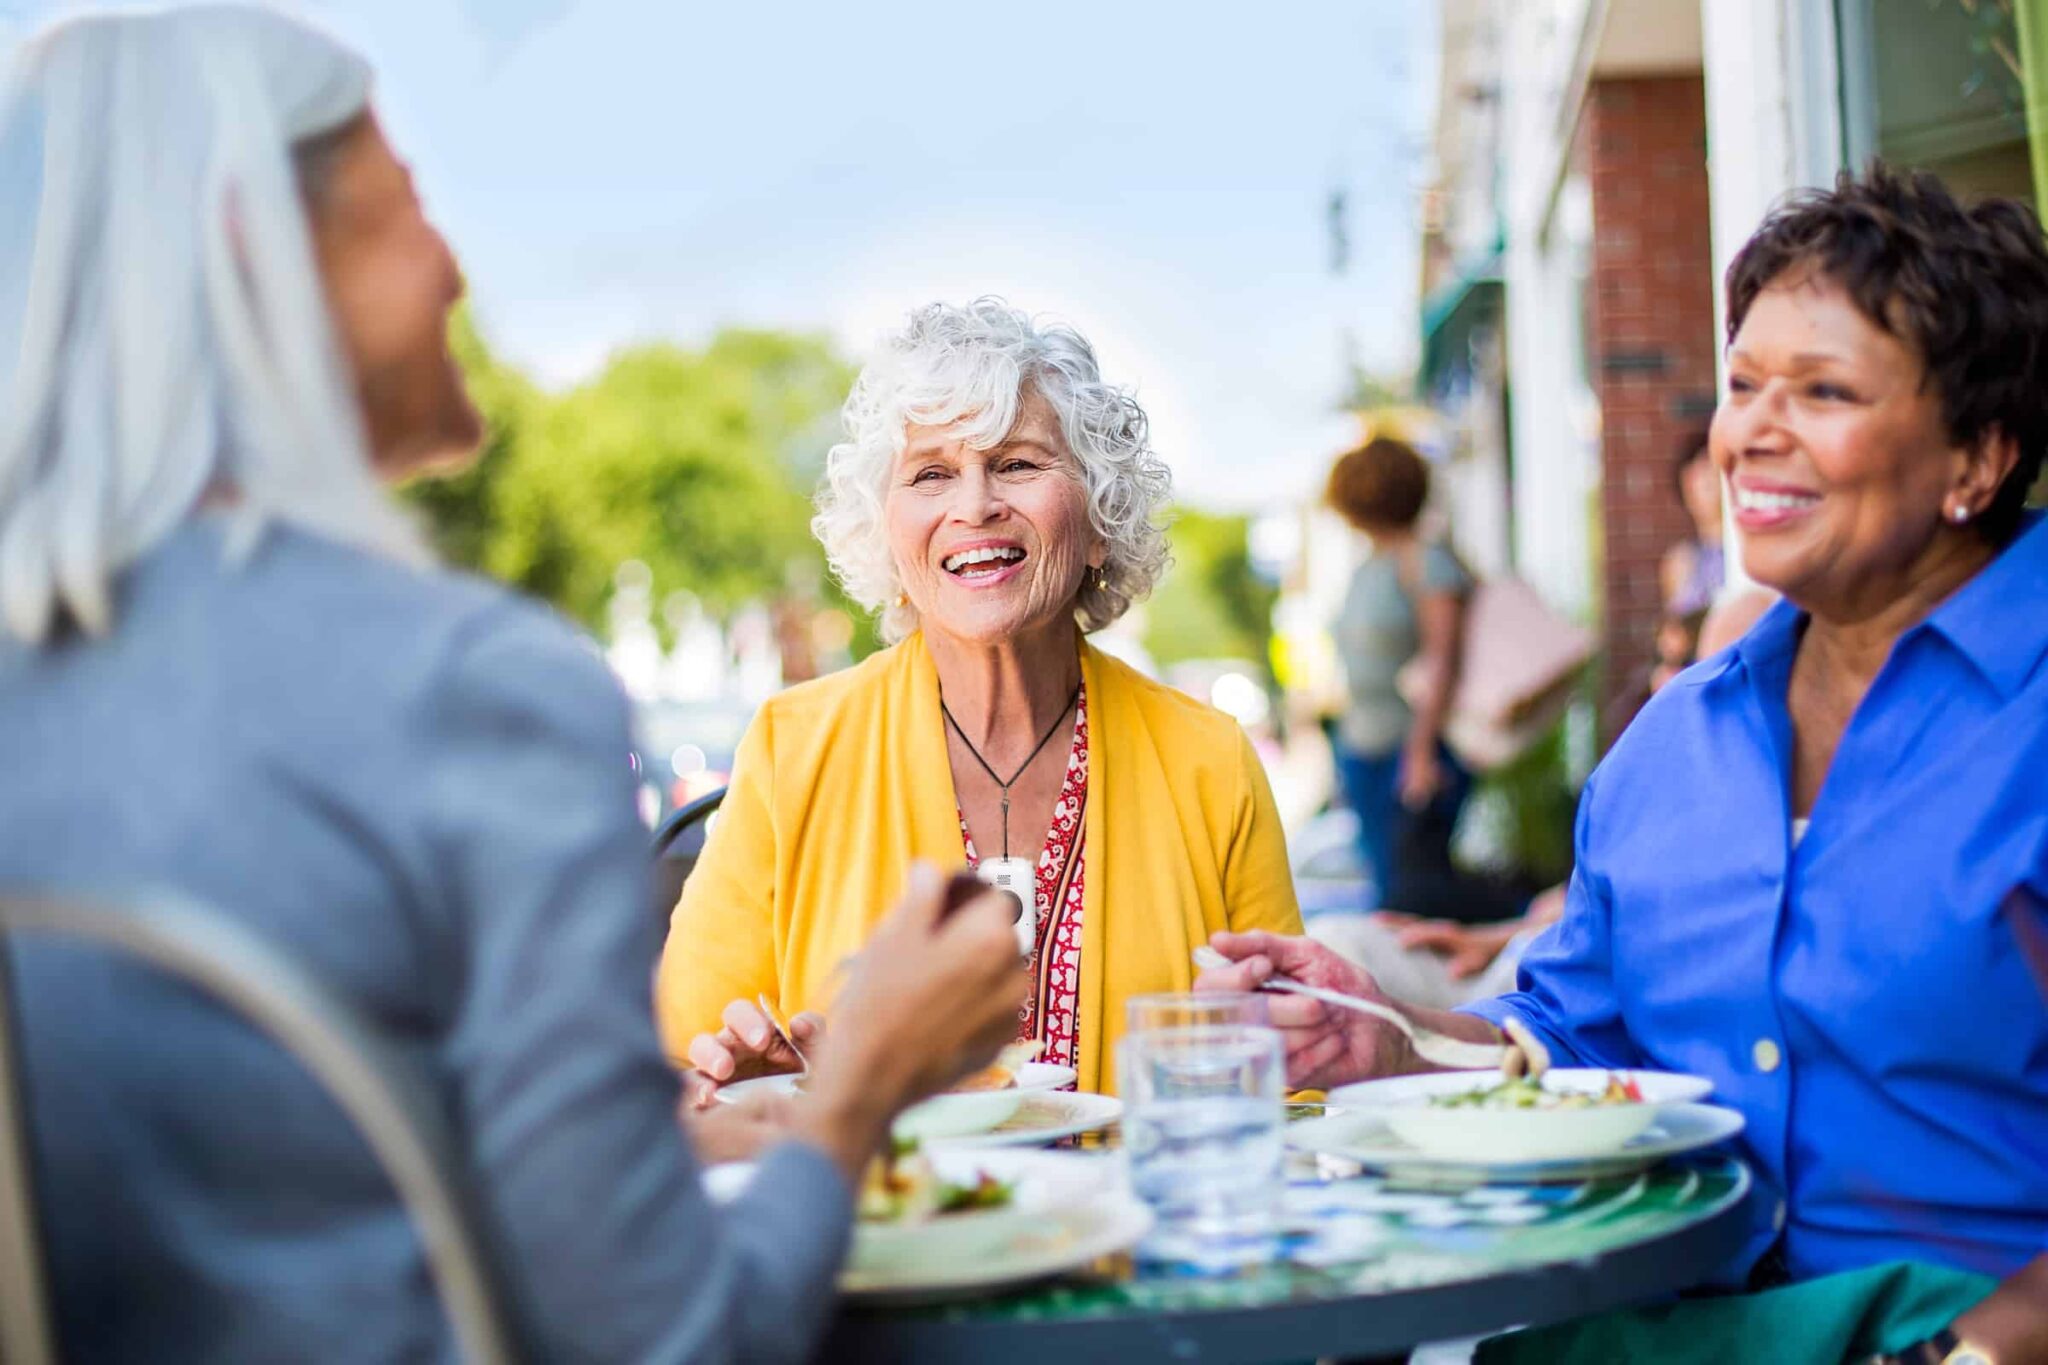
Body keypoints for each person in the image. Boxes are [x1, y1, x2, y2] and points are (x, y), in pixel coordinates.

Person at [0, 9, 1026, 1361]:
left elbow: (276, 1157)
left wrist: (681, 1134)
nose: (452, 271)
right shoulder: (475, 694)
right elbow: (678, 1342)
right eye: (407, 208)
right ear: (262, 251)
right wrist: (859, 1091)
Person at [1200, 165, 2048, 1363]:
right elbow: (1574, 1025)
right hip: (1677, 1320)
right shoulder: (1675, 740)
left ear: (1975, 459)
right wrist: (1383, 1035)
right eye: (1745, 383)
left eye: (1822, 390)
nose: (1752, 429)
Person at [659, 299, 1304, 1097]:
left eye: (1019, 464)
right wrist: (756, 1091)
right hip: (888, 1216)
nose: (973, 505)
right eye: (931, 473)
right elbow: (678, 1069)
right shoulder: (791, 748)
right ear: (888, 535)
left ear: (1099, 520)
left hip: (1143, 1216)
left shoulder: (1211, 761)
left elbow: (1295, 1082)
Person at [1324, 436, 1525, 925]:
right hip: (1363, 749)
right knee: (1387, 888)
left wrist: (1420, 752)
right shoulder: (1369, 565)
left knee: (1411, 894)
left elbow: (1443, 661)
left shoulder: (1426, 561)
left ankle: (1522, 919)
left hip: (1409, 755)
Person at [1661, 428, 1727, 615]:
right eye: (1692, 476)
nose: (1702, 479)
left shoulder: (1747, 556)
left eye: (1708, 467)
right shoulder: (1681, 561)